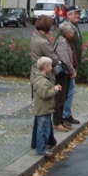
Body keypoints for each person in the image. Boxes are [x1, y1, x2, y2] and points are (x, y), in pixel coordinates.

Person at [30, 15, 59, 149]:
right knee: (44, 111)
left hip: (34, 73)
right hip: (43, 75)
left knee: (40, 110)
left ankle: (47, 140)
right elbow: (53, 58)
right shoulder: (43, 42)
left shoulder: (35, 38)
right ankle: (41, 142)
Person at [32, 56, 62, 159]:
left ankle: (42, 144)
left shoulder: (42, 79)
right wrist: (55, 90)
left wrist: (53, 87)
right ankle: (41, 149)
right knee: (43, 130)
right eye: (50, 66)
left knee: (44, 128)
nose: (52, 68)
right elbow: (45, 94)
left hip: (45, 109)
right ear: (45, 67)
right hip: (43, 109)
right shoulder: (42, 81)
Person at [61, 5, 83, 126]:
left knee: (70, 90)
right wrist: (69, 66)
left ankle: (66, 114)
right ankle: (65, 115)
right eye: (75, 13)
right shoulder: (66, 28)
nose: (78, 15)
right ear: (68, 15)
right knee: (67, 91)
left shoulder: (75, 26)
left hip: (73, 65)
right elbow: (60, 46)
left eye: (79, 13)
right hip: (67, 66)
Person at [53, 22, 77, 132]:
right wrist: (72, 71)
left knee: (63, 98)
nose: (73, 33)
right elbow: (65, 59)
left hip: (66, 73)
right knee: (59, 98)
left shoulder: (66, 41)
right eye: (72, 31)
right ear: (67, 32)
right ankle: (57, 122)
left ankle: (61, 121)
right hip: (62, 74)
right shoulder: (62, 42)